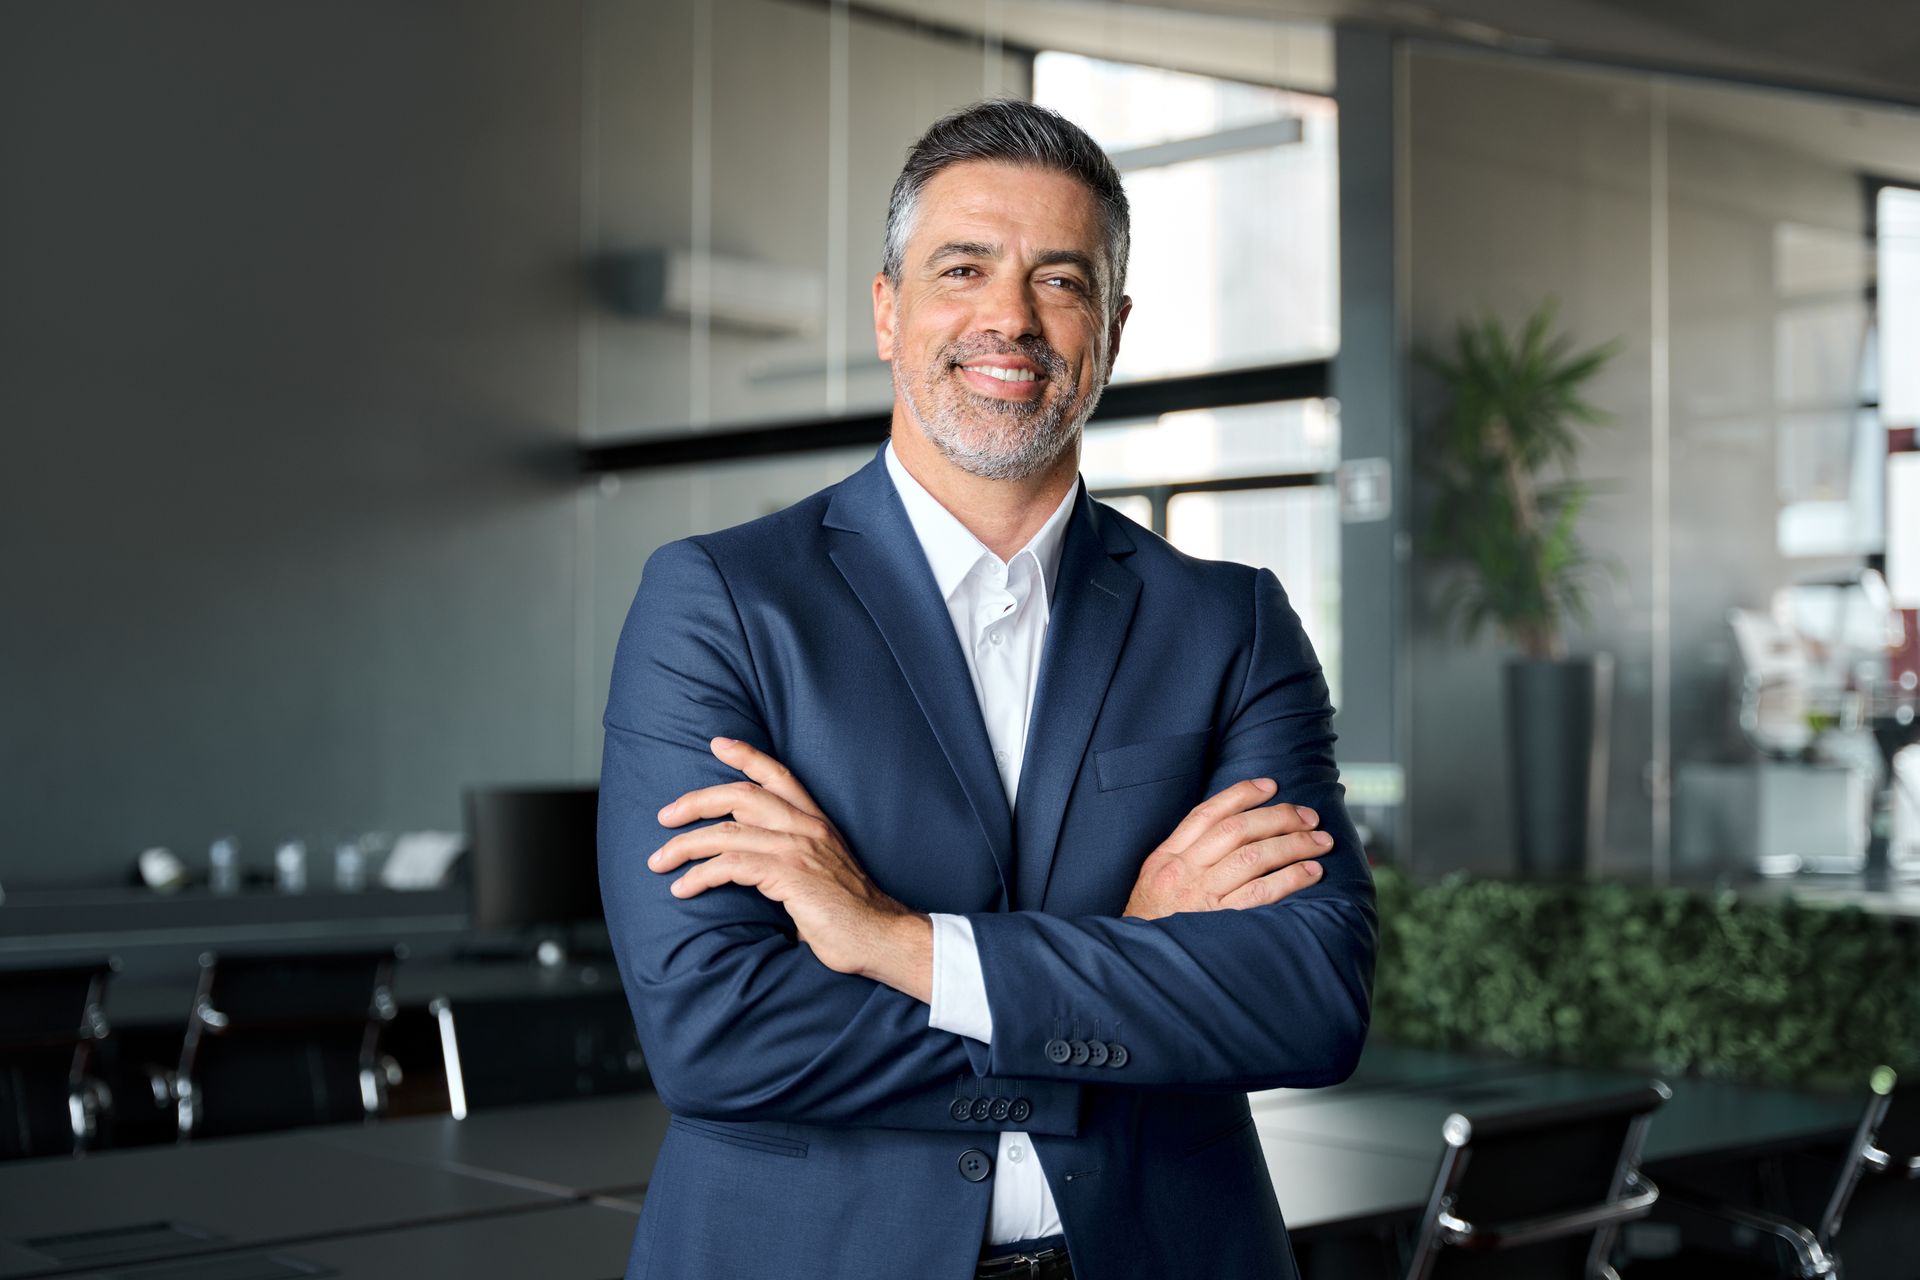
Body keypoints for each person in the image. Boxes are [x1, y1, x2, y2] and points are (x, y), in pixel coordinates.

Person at [598, 98, 1377, 1280]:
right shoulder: (721, 604)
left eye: (1060, 280)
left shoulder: (1232, 621)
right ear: (888, 309)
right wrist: (1131, 954)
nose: (1009, 317)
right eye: (963, 267)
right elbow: (720, 1033)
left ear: (1110, 332)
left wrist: (894, 942)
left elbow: (1311, 999)